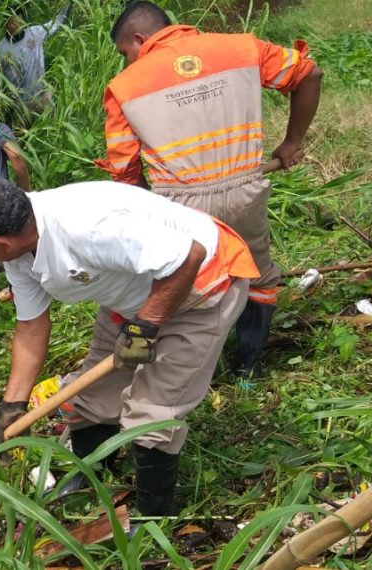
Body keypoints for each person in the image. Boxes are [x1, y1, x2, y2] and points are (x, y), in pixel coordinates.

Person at [0, 174, 258, 515]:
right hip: (135, 295)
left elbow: (188, 256)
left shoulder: (86, 227)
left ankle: (153, 518)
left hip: (203, 286)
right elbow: (31, 324)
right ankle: (89, 473)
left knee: (151, 412)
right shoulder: (20, 247)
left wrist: (146, 327)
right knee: (90, 397)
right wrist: (13, 404)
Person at [96, 1, 322, 378]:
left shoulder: (124, 87)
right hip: (246, 188)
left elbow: (123, 167)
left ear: (139, 38)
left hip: (179, 205)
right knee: (258, 278)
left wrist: (141, 209)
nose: (127, 62)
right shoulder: (242, 47)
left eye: (126, 53)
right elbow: (308, 74)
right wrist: (291, 141)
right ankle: (248, 373)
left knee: (178, 286)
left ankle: (184, 376)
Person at [0, 3, 71, 119]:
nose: (17, 25)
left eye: (19, 21)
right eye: (12, 22)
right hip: (20, 106)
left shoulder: (36, 33)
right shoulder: (0, 49)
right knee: (21, 136)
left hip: (42, 96)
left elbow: (57, 23)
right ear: (6, 24)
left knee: (51, 128)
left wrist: (68, 3)